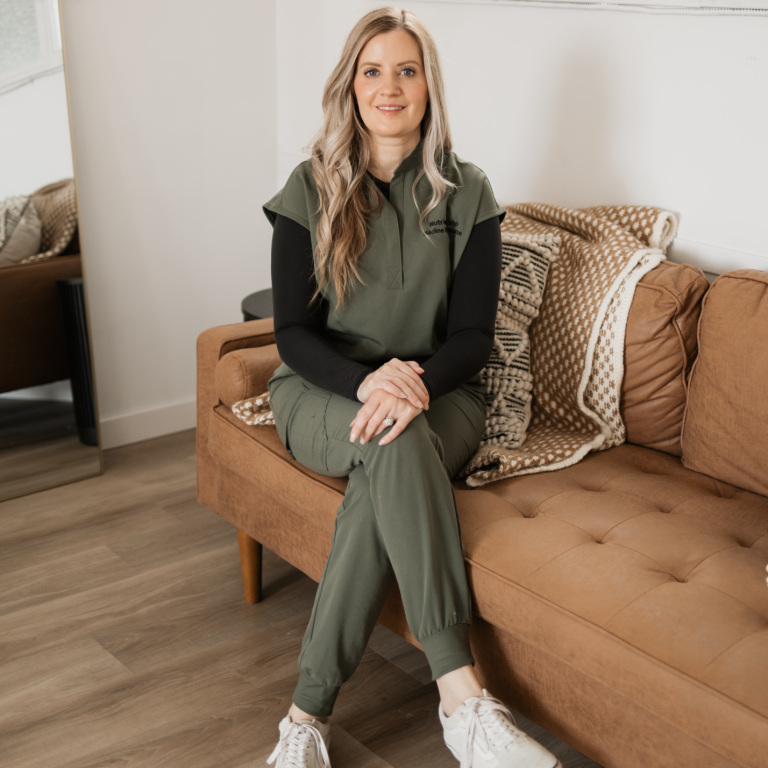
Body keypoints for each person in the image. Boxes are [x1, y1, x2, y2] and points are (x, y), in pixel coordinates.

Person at [262, 7, 561, 768]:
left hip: (444, 394)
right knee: (388, 434)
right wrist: (369, 385)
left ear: (428, 86)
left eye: (406, 69)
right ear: (350, 86)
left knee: (393, 447)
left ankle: (303, 722)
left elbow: (471, 338)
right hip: (324, 389)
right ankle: (462, 699)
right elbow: (293, 334)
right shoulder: (309, 188)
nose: (388, 87)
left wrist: (411, 385)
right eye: (372, 70)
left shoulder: (470, 192)